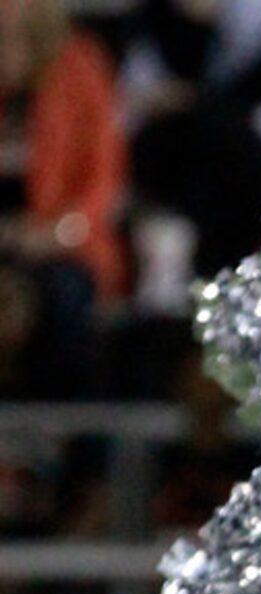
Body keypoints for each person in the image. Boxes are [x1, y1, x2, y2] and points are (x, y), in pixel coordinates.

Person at [122, 0, 261, 278]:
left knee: (229, 141)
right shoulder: (156, 13)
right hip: (168, 136)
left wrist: (205, 100)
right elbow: (153, 90)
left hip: (245, 132)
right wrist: (196, 24)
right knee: (214, 140)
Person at [0, 0, 126, 397]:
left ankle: (56, 418)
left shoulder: (80, 66)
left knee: (63, 295)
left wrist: (53, 233)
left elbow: (104, 177)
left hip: (64, 243)